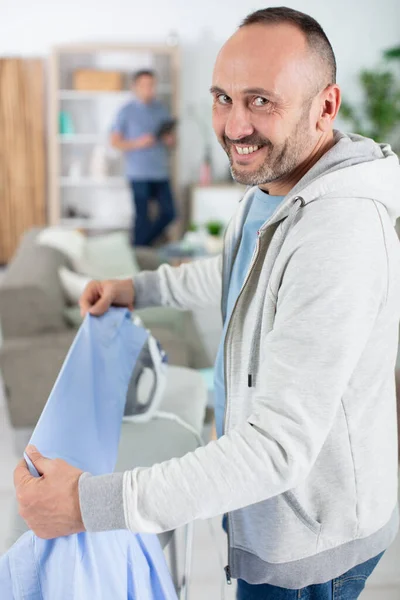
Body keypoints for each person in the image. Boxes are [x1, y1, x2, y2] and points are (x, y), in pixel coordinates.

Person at [14, 7, 400, 600]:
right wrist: (140, 288)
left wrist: (86, 504)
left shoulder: (339, 231)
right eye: (223, 97)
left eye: (261, 101)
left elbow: (276, 449)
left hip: (309, 549)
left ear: (325, 106)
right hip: (271, 516)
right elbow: (235, 276)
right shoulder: (270, 190)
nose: (234, 125)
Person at [110, 69, 176, 246]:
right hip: (138, 174)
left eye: (152, 85)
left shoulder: (161, 109)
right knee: (142, 218)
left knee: (170, 213)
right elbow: (115, 142)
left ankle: (139, 245)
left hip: (160, 172)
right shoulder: (126, 111)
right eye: (144, 85)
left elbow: (169, 139)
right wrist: (139, 143)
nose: (149, 89)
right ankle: (140, 251)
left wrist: (169, 140)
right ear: (135, 87)